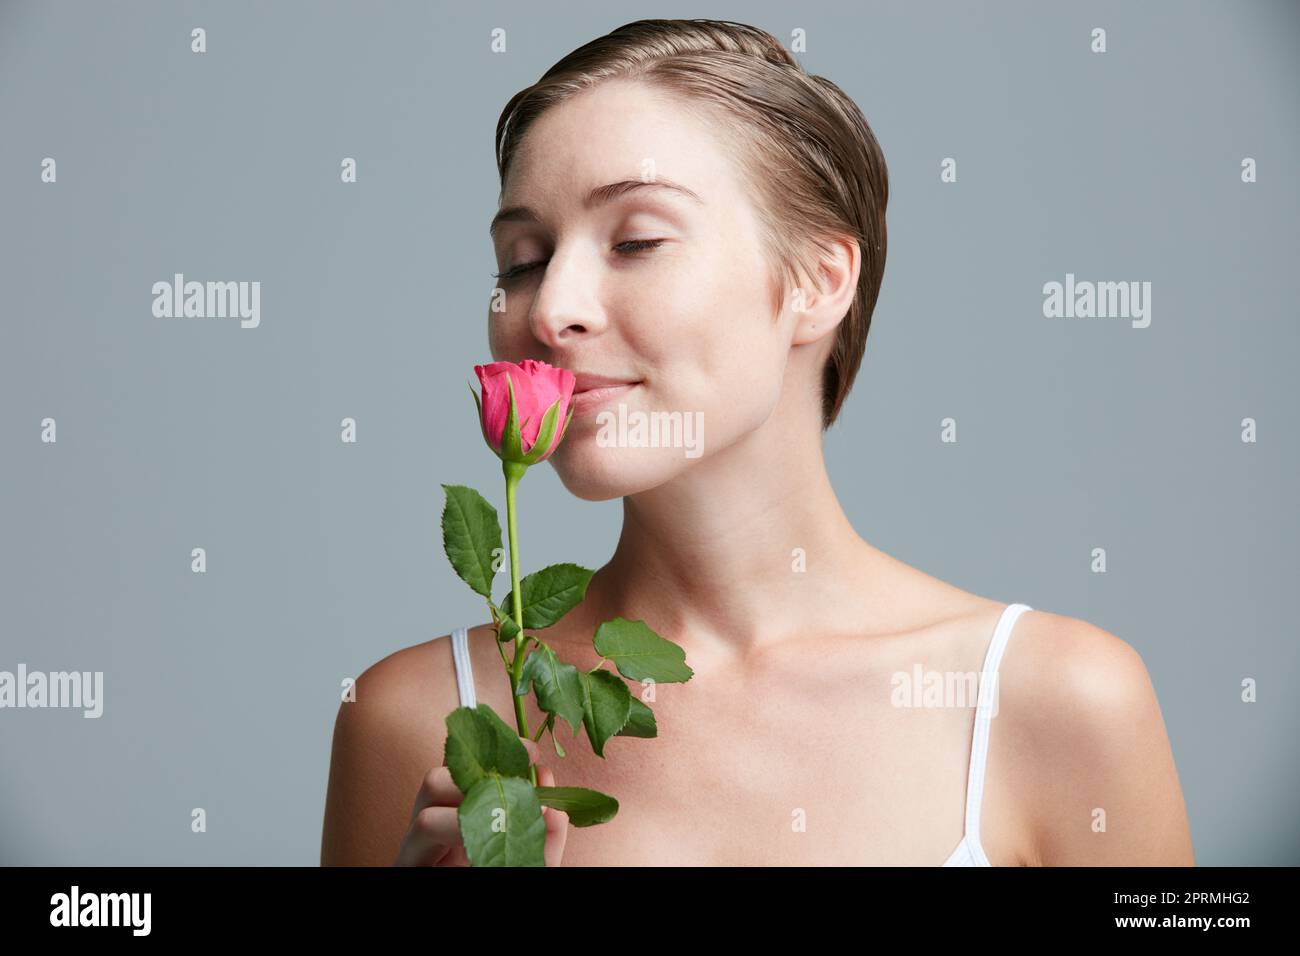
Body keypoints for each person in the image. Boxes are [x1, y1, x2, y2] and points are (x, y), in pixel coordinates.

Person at [320, 18, 1194, 867]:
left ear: (818, 280)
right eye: (522, 260)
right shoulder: (415, 719)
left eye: (636, 240)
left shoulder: (1055, 701)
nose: (549, 311)